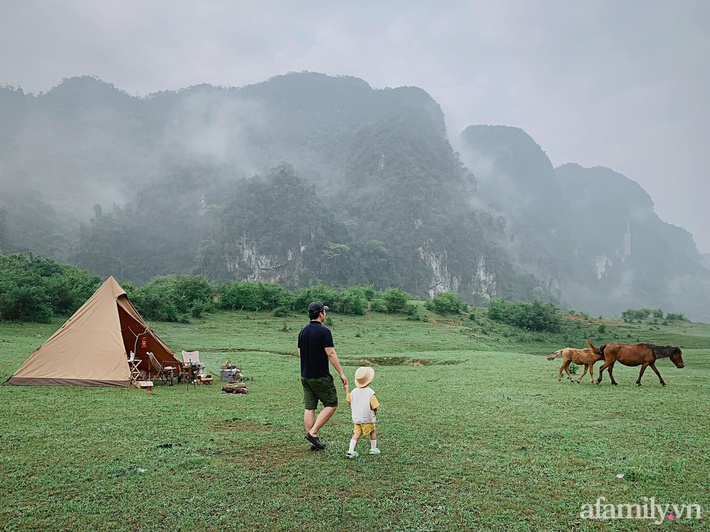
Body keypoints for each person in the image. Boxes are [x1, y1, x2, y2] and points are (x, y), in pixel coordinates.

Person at [298, 301, 347, 450]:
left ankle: (313, 438)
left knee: (310, 407)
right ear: (320, 314)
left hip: (305, 376)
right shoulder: (324, 332)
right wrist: (341, 373)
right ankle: (313, 433)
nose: (325, 314)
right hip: (320, 376)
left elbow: (300, 354)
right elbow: (331, 353)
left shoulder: (303, 332)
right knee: (331, 404)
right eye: (324, 312)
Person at [345, 366, 380, 458]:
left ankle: (350, 451)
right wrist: (374, 414)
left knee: (356, 433)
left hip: (357, 418)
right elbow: (375, 406)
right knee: (372, 431)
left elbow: (349, 400)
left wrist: (346, 390)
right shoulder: (370, 393)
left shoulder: (353, 392)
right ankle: (373, 449)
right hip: (367, 418)